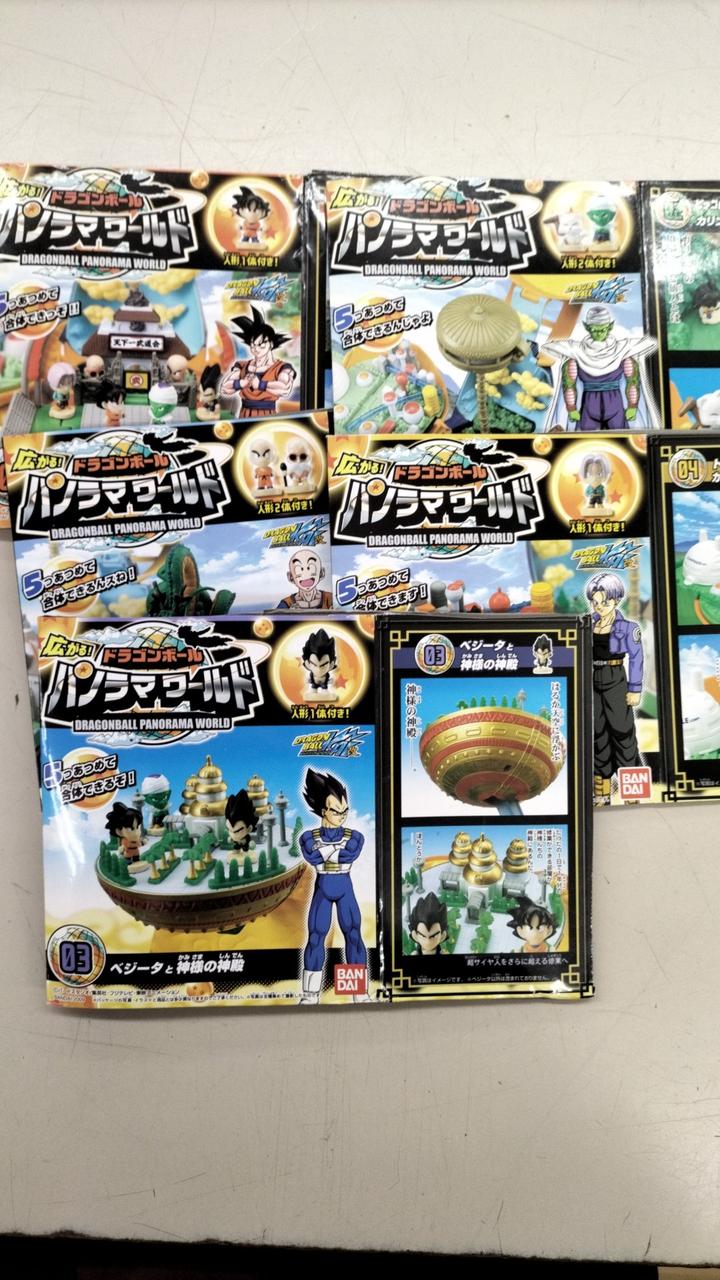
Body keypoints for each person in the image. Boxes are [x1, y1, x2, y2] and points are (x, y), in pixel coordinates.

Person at [298, 768, 369, 1005]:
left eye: (345, 810)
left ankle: (360, 993)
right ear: (323, 811)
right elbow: (312, 857)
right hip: (323, 890)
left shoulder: (354, 836)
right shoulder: (308, 837)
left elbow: (350, 855)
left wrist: (326, 852)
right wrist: (335, 852)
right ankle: (310, 995)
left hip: (344, 888)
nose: (342, 815)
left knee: (354, 936)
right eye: (337, 811)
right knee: (316, 938)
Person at [586, 571, 644, 805]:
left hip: (616, 678)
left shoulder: (628, 628)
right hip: (592, 679)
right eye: (595, 602)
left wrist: (635, 688)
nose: (599, 606)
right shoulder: (586, 625)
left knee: (623, 732)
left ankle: (633, 792)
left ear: (616, 600)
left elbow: (637, 658)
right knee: (598, 734)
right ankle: (602, 793)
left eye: (605, 602)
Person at [221, 306, 296, 417]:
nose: (256, 348)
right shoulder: (242, 366)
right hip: (244, 415)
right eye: (253, 345)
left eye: (261, 344)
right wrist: (241, 383)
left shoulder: (282, 367)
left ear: (271, 344)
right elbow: (225, 388)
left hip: (267, 415)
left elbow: (284, 388)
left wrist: (261, 385)